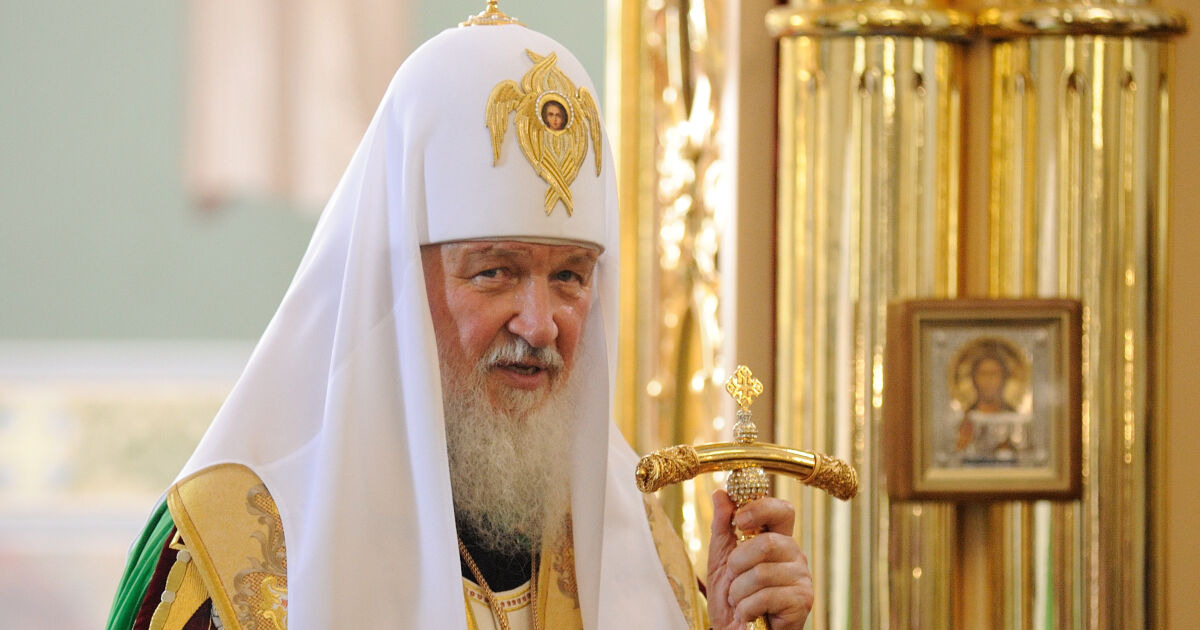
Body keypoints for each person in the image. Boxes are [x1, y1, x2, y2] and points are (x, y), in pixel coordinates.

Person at [106, 9, 813, 630]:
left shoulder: (631, 543)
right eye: (495, 271)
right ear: (397, 286)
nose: (540, 325)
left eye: (569, 277)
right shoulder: (238, 549)